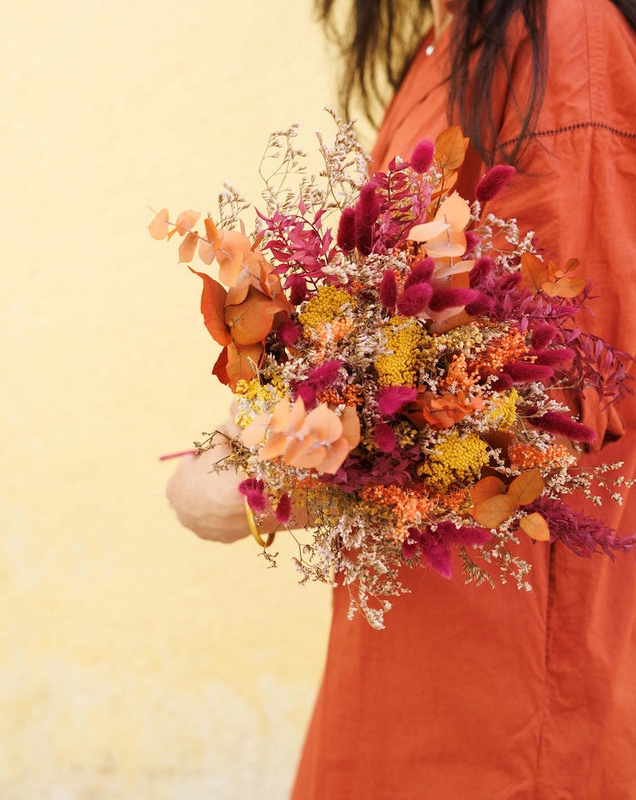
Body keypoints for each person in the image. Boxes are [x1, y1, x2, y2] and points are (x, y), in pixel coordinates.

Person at [166, 0, 636, 796]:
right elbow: (409, 339)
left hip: (505, 688)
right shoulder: (454, 38)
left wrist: (266, 485)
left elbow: (560, 389)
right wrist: (282, 414)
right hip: (413, 634)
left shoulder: (563, 34)